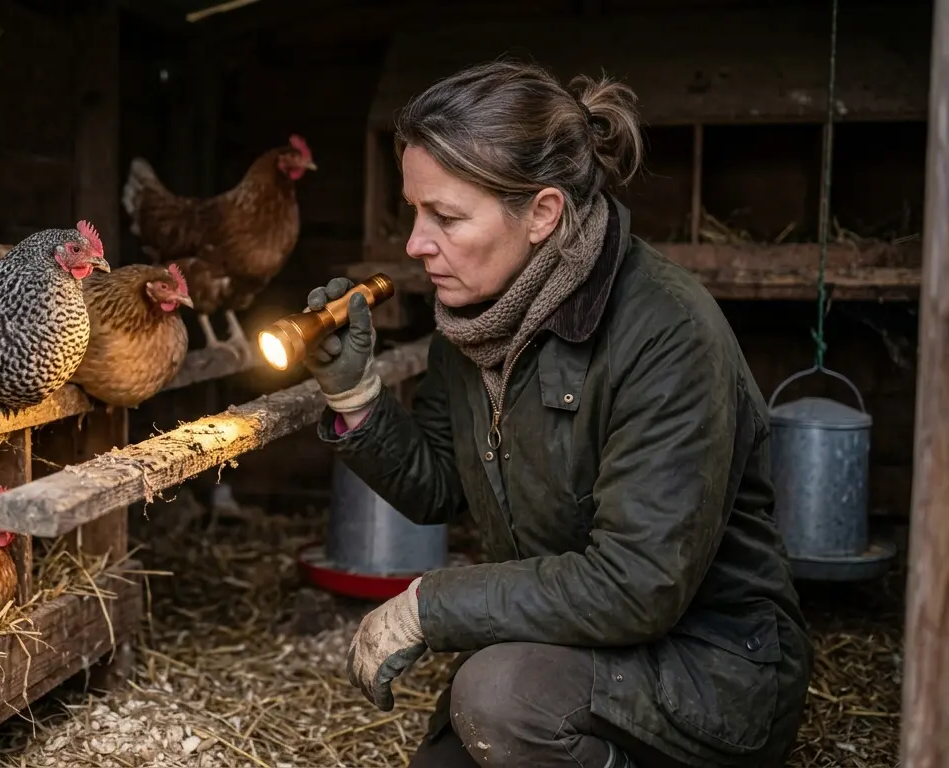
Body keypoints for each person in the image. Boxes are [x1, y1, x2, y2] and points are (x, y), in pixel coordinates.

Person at [302, 60, 813, 768]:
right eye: (414, 211)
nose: (417, 243)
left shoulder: (666, 332)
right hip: (570, 650)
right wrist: (357, 398)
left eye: (445, 216)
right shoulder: (479, 314)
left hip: (712, 667)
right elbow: (440, 488)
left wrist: (432, 605)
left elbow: (639, 585)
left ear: (542, 214)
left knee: (499, 698)